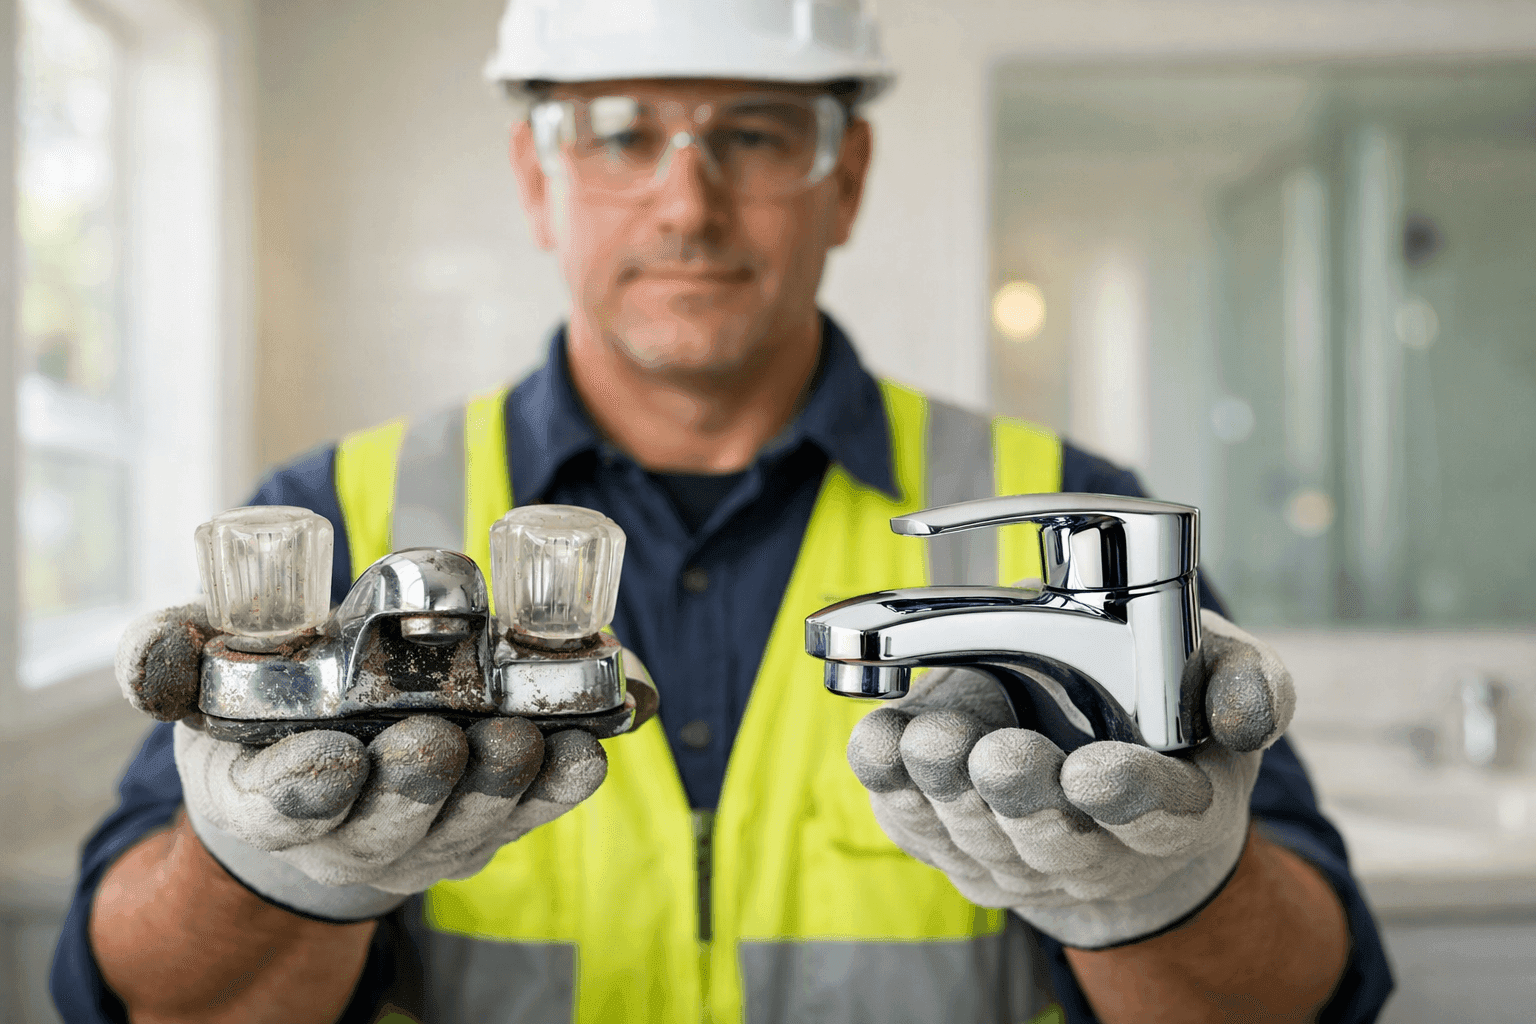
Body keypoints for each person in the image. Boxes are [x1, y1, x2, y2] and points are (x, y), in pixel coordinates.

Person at [53, 1, 1393, 1021]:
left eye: (754, 133)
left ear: (849, 176)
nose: (688, 203)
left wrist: (1164, 894)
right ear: (536, 177)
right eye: (619, 133)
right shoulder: (328, 519)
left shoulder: (1068, 516)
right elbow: (144, 995)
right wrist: (266, 874)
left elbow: (1307, 991)